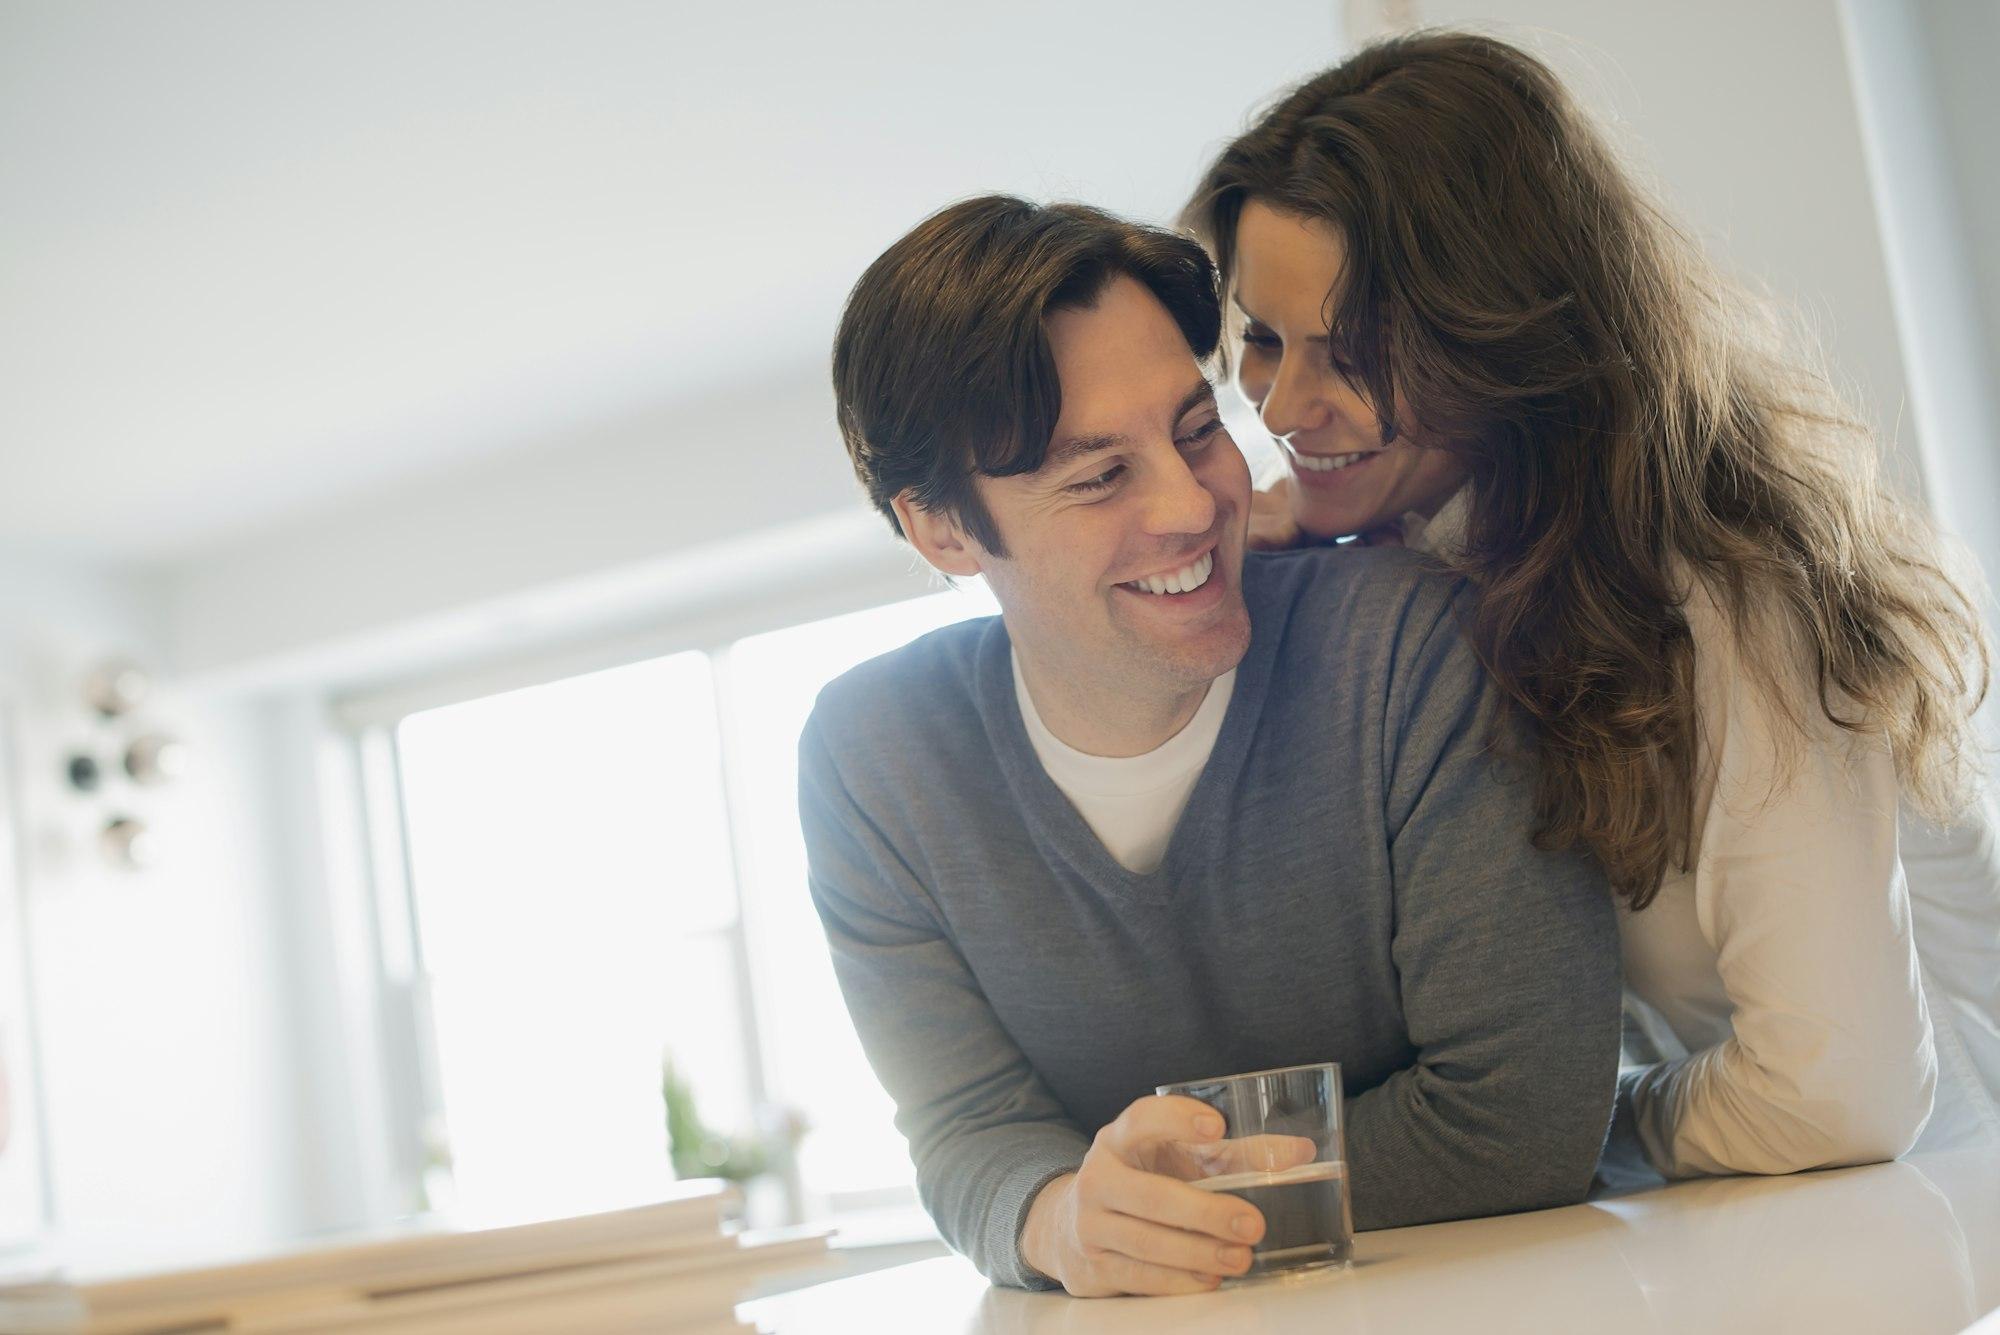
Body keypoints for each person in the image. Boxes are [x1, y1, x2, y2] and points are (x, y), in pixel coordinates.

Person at [1183, 30, 2000, 1180]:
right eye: (1264, 341)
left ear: (1502, 330)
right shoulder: (1429, 550)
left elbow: (1839, 1098)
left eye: (1356, 351)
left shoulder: (1730, 594)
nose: (1282, 407)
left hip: (1935, 1205)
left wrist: (1553, 1127)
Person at [801, 194, 1620, 1298]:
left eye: (1196, 430)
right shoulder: (874, 762)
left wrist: (1141, 1213)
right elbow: (969, 1133)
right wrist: (1061, 1223)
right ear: (942, 529)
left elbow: (1521, 1117)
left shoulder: (1403, 649)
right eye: (1098, 476)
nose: (1194, 506)